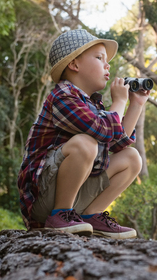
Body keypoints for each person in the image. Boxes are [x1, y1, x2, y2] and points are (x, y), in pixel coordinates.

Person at [17, 29, 149, 239]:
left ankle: (91, 216)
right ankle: (60, 214)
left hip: (75, 195)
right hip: (43, 198)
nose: (107, 65)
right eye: (99, 58)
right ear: (74, 65)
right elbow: (102, 130)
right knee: (85, 143)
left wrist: (136, 104)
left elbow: (118, 143)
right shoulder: (62, 95)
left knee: (131, 157)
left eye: (106, 60)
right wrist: (120, 101)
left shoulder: (93, 105)